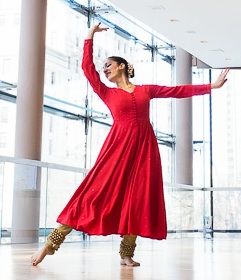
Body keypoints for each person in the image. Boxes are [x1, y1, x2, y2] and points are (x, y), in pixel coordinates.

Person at [31, 23, 229, 267]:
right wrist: (89, 37)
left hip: (145, 151)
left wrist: (211, 86)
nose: (105, 70)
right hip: (117, 149)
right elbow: (87, 68)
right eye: (104, 68)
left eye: (109, 66)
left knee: (137, 199)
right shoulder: (107, 93)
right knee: (92, 194)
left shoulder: (146, 90)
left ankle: (126, 254)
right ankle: (51, 244)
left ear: (122, 66)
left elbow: (177, 90)